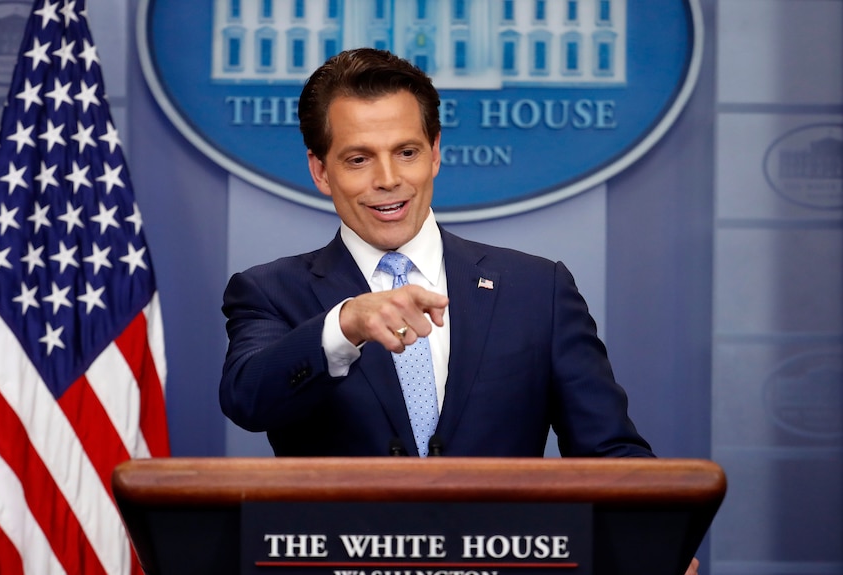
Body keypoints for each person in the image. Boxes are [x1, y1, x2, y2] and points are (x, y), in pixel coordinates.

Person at [220, 47, 654, 462]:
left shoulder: (538, 290)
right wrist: (347, 322)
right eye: (358, 159)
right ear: (320, 171)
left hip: (500, 542)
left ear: (435, 154)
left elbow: (612, 457)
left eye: (407, 153)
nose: (388, 179)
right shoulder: (269, 291)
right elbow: (248, 398)